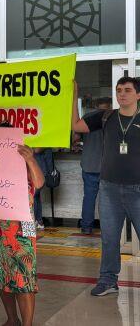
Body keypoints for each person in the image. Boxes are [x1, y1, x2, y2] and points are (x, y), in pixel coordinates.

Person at [72, 77, 140, 297]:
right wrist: (74, 95)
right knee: (109, 238)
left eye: (128, 90)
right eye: (119, 90)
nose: (122, 94)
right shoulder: (106, 117)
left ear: (138, 95)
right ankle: (108, 280)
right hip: (109, 189)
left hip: (137, 190)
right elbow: (75, 126)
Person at [0, 122, 44, 326]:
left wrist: (30, 159)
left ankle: (27, 324)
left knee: (24, 279)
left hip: (23, 228)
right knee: (1, 275)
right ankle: (12, 319)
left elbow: (39, 183)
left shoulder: (23, 160)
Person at [79, 97, 112, 235]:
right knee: (107, 200)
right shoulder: (111, 117)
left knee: (89, 198)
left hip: (88, 164)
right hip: (106, 166)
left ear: (97, 105)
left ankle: (86, 227)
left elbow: (77, 138)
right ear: (109, 106)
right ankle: (108, 228)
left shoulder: (86, 117)